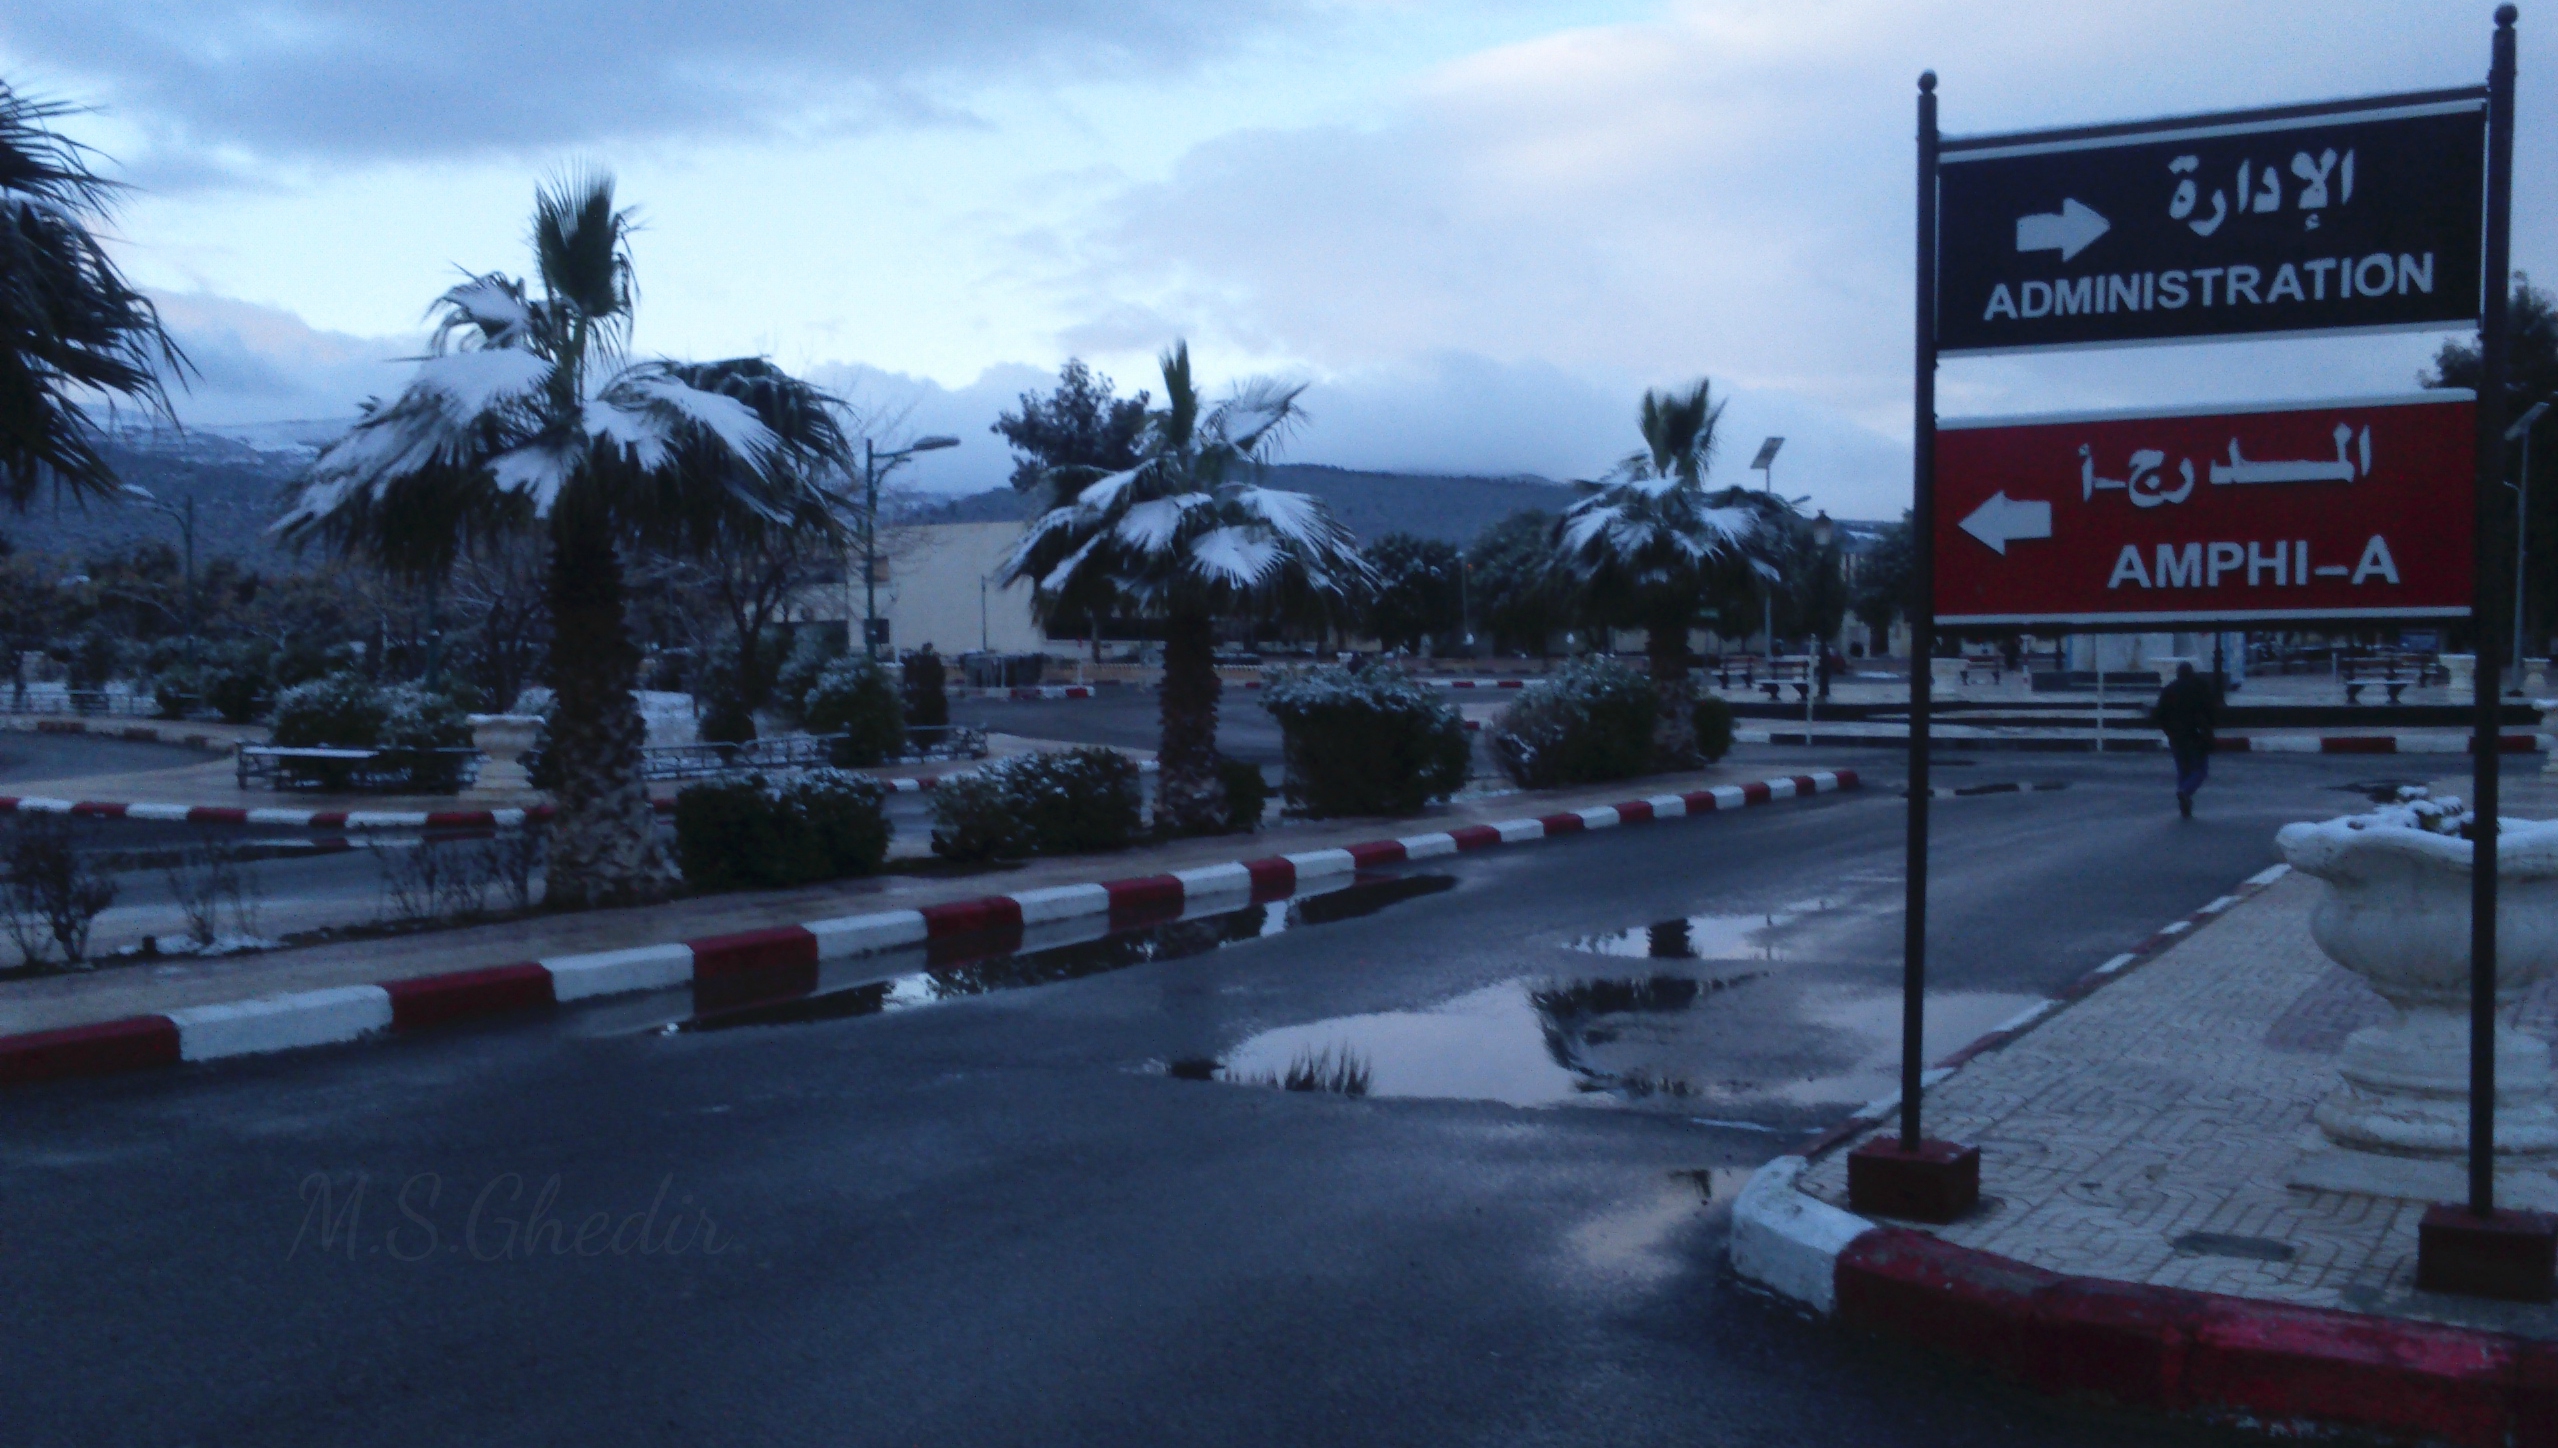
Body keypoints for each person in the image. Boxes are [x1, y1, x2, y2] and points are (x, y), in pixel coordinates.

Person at [2152, 661, 2218, 817]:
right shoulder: (2200, 687)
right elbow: (2210, 710)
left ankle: (2184, 798)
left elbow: (2158, 714)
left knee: (2183, 769)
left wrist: (2169, 731)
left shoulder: (2169, 690)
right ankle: (2185, 791)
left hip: (2176, 737)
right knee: (2200, 770)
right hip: (2196, 735)